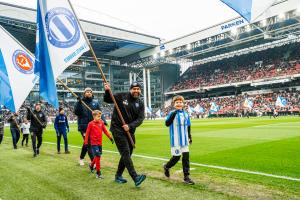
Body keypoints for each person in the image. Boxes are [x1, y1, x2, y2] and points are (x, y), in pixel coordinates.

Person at [104, 82, 146, 187]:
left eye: (138, 89)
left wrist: (130, 126)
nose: (136, 91)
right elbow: (108, 100)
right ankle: (135, 177)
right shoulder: (121, 96)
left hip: (130, 131)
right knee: (126, 152)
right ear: (130, 89)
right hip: (117, 129)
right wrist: (107, 91)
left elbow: (140, 119)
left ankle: (118, 175)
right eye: (134, 89)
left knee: (127, 153)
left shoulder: (140, 103)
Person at [164, 95, 195, 185]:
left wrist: (189, 136)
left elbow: (188, 126)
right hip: (176, 139)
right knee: (176, 157)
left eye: (180, 102)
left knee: (186, 158)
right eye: (177, 102)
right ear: (174, 104)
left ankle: (186, 177)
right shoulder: (172, 113)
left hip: (184, 139)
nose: (179, 104)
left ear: (183, 104)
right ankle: (166, 166)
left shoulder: (186, 114)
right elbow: (167, 123)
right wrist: (173, 114)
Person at [74, 87, 107, 166]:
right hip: (84, 127)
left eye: (90, 92)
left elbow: (99, 113)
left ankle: (81, 158)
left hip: (94, 127)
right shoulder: (80, 102)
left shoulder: (95, 103)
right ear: (84, 93)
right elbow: (77, 112)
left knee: (86, 144)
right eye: (87, 92)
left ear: (92, 94)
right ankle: (94, 162)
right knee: (89, 145)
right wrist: (78, 102)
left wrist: (104, 121)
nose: (89, 93)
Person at [84, 110, 114, 179]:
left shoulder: (101, 122)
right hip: (94, 143)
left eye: (100, 116)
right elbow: (87, 133)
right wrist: (86, 142)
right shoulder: (90, 124)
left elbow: (105, 131)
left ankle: (91, 165)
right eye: (98, 116)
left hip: (100, 143)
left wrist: (110, 137)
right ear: (94, 116)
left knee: (98, 156)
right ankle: (98, 173)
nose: (100, 118)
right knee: (98, 156)